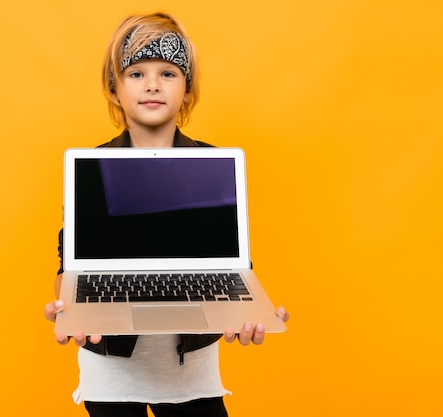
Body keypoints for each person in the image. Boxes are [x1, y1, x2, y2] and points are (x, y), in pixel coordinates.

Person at [44, 12, 289, 417]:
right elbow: (69, 267)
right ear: (114, 88)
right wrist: (69, 306)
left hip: (191, 371)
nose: (153, 84)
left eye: (169, 73)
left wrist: (250, 311)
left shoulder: (212, 165)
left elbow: (232, 264)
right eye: (136, 73)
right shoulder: (92, 168)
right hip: (109, 371)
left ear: (188, 89)